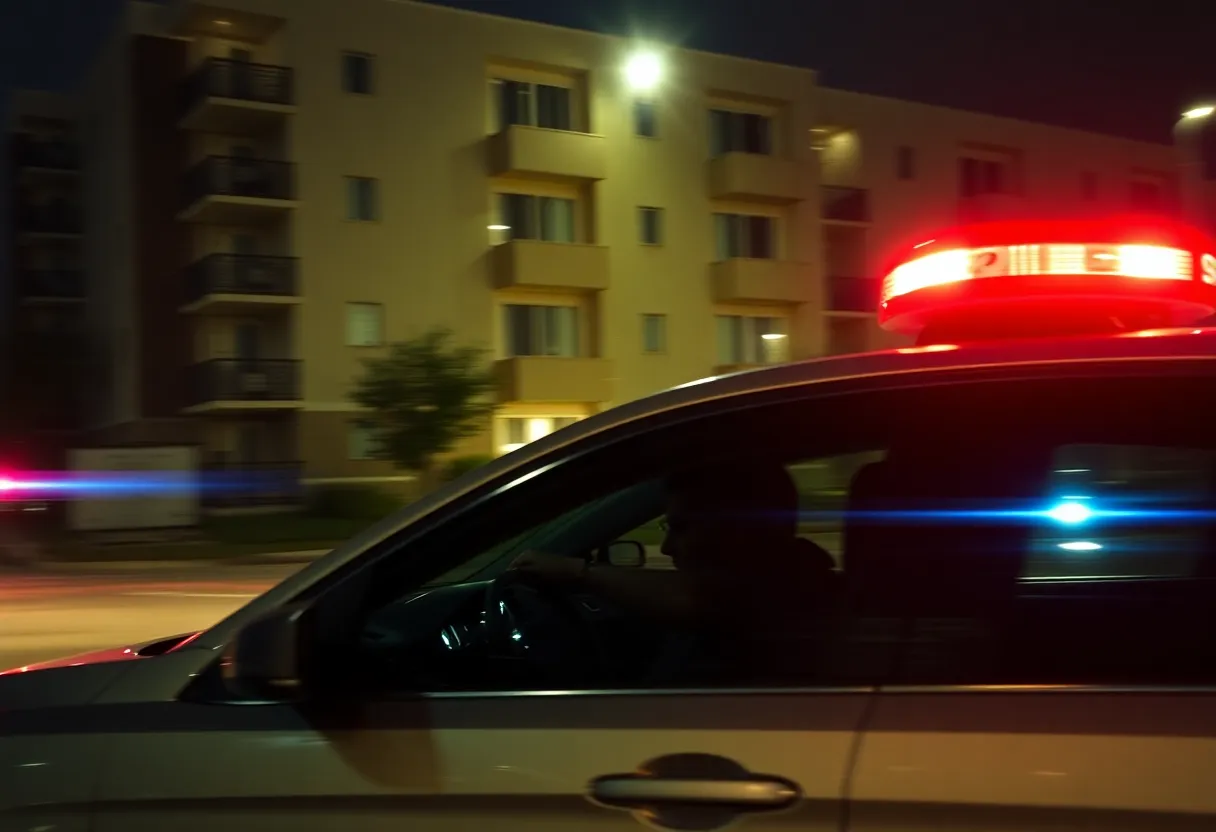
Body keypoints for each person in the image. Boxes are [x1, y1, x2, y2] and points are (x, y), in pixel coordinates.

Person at [511, 460, 837, 683]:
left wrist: (576, 571)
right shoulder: (791, 576)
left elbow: (699, 598)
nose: (667, 548)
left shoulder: (789, 586)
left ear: (741, 528)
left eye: (681, 528)